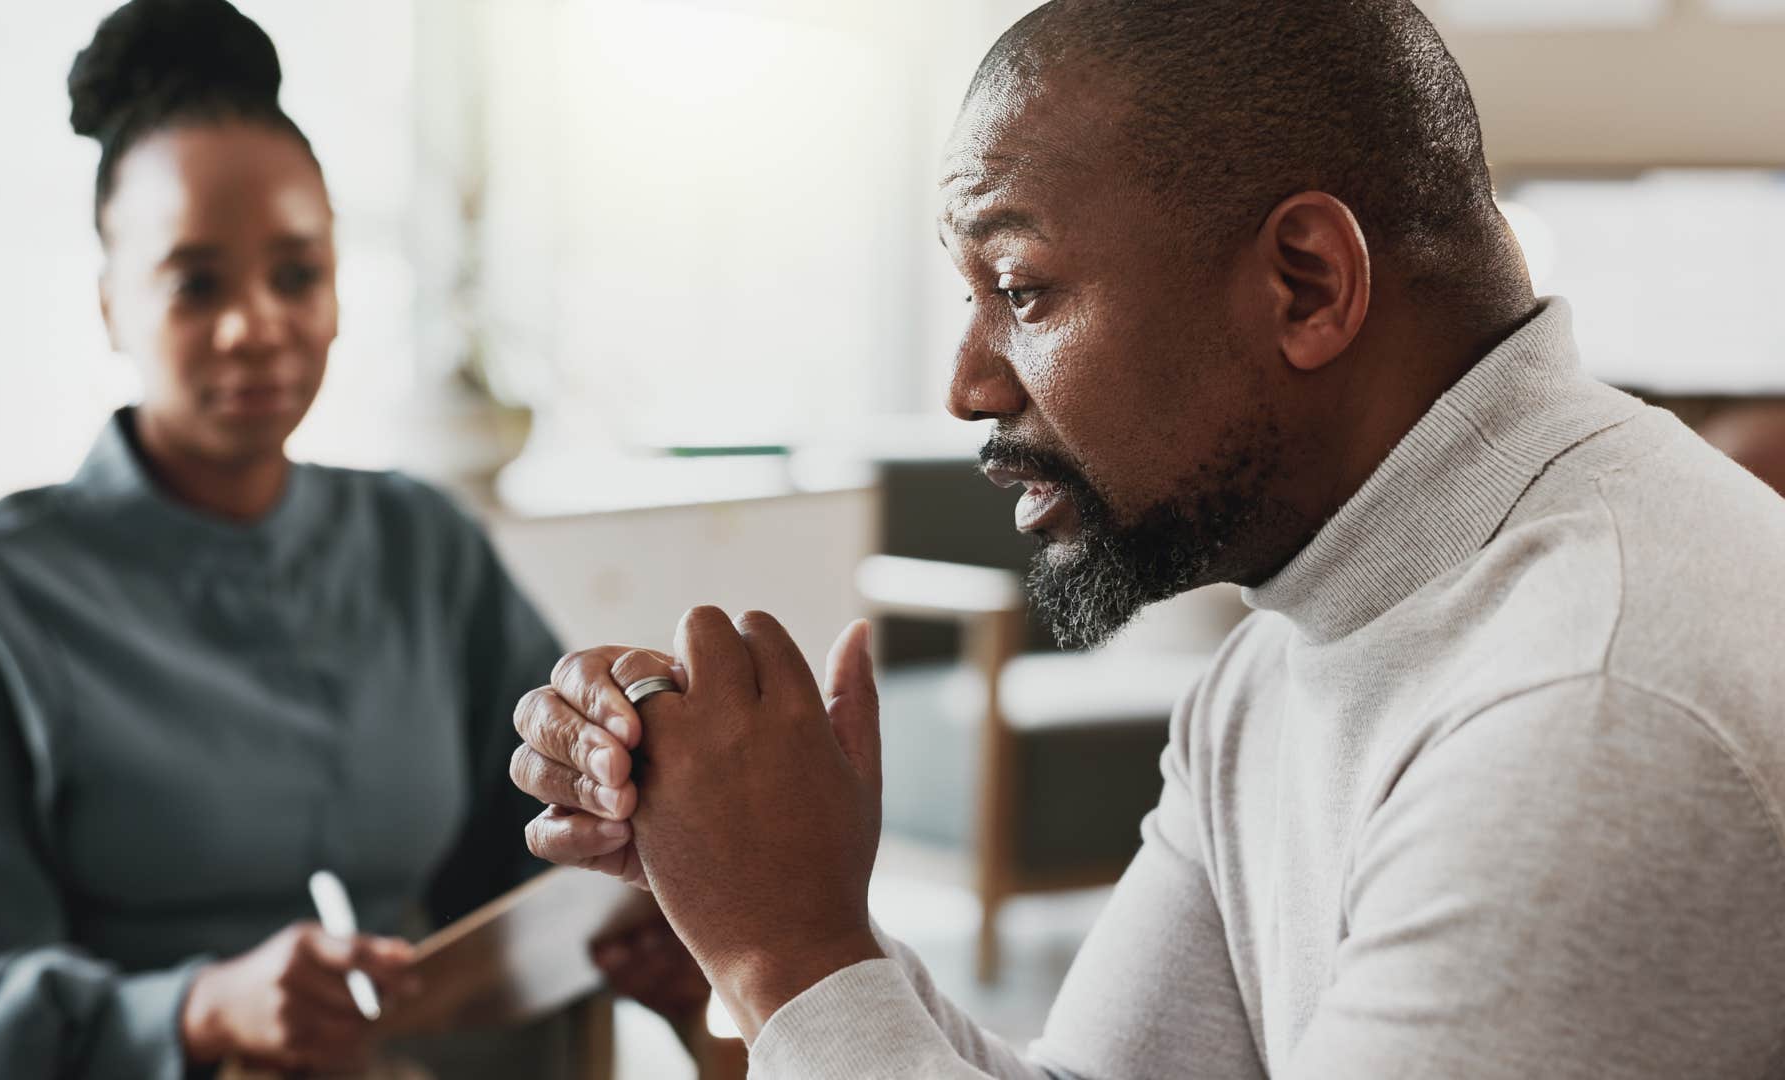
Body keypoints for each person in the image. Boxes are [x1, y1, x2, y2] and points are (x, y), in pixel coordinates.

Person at [507, 1, 1785, 1077]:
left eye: (1021, 290)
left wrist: (786, 956)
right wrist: (772, 903)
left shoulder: (1593, 711)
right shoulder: (1298, 636)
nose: (967, 385)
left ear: (1306, 284)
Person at [0, 1, 702, 1076]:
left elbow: (542, 857)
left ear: (340, 291)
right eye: (196, 283)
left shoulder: (423, 547)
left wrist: (639, 842)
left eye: (297, 274)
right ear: (111, 306)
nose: (255, 324)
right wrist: (195, 1011)